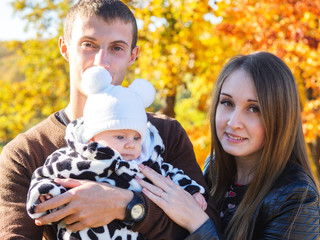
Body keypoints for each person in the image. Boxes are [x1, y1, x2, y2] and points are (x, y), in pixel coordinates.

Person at [0, 0, 219, 239]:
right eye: (88, 45)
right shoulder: (26, 152)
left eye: (117, 48)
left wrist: (128, 206)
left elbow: (209, 228)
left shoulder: (166, 134)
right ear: (65, 48)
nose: (101, 61)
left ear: (133, 55)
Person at [136, 51, 320, 239]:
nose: (233, 122)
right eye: (227, 103)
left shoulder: (297, 196)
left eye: (254, 109)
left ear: (280, 116)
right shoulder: (216, 167)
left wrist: (198, 222)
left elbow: (197, 222)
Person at [26, 66, 207, 239]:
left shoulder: (147, 166)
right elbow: (45, 179)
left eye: (136, 138)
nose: (130, 144)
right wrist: (47, 195)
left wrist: (193, 192)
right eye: (120, 137)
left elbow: (173, 178)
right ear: (92, 137)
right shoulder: (72, 160)